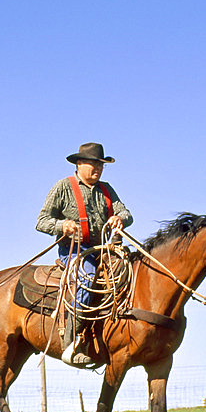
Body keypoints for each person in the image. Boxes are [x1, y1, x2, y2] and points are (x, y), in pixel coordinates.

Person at [36, 142, 133, 367]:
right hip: (75, 251)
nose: (97, 169)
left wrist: (121, 219)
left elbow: (126, 212)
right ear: (79, 164)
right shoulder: (63, 187)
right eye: (93, 164)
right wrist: (63, 226)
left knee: (132, 271)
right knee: (87, 277)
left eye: (100, 165)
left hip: (104, 250)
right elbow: (42, 221)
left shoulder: (107, 190)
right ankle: (70, 343)